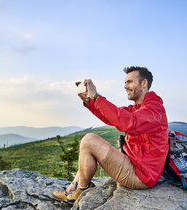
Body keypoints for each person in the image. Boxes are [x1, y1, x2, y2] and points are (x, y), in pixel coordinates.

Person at [53, 66, 169, 202]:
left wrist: (97, 96)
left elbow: (130, 123)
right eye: (125, 82)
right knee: (88, 147)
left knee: (89, 140)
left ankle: (82, 190)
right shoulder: (137, 108)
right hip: (133, 164)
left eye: (130, 82)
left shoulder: (154, 109)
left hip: (142, 176)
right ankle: (71, 189)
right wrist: (90, 101)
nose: (125, 86)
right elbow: (111, 117)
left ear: (144, 83)